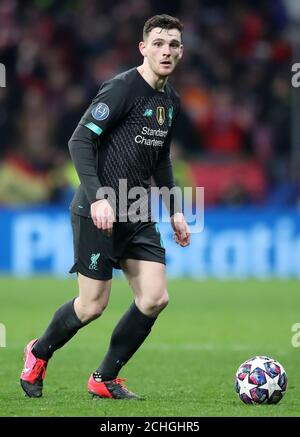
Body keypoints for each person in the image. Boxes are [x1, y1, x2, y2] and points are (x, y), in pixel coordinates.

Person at [20, 14, 191, 400]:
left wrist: (176, 210)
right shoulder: (121, 89)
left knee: (154, 298)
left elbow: (161, 159)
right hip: (98, 208)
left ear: (181, 52)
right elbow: (79, 142)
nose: (167, 51)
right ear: (143, 48)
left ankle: (104, 377)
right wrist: (98, 196)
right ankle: (38, 351)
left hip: (137, 211)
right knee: (92, 305)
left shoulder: (171, 101)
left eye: (174, 44)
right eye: (159, 43)